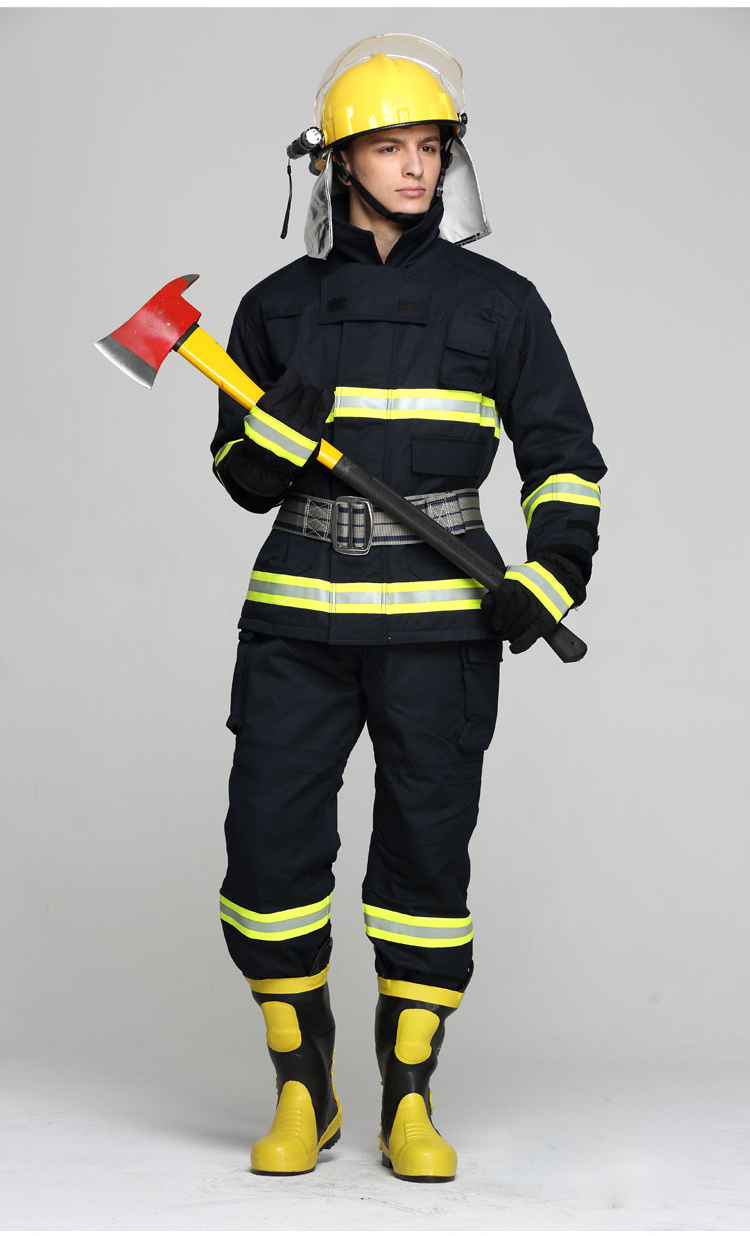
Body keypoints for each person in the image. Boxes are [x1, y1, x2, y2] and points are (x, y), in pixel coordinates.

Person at [210, 34, 606, 1183]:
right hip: (294, 625)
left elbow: (564, 458)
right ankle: (304, 1092)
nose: (416, 167)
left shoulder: (501, 304)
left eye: (431, 146)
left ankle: (411, 1103)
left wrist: (552, 570)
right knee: (268, 854)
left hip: (443, 627)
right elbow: (240, 480)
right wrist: (271, 434)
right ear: (337, 161)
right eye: (390, 146)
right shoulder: (272, 308)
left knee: (427, 861)